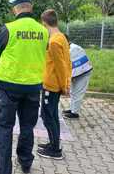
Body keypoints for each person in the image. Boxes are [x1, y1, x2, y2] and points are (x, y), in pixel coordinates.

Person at [0, 0, 49, 174]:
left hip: (9, 86)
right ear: (30, 8)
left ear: (15, 9)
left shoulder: (9, 29)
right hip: (33, 86)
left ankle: (4, 170)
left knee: (4, 127)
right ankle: (25, 162)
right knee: (27, 126)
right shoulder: (43, 31)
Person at [37, 9, 72, 160]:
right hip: (54, 85)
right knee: (51, 115)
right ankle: (53, 143)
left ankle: (55, 149)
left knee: (48, 115)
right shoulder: (62, 37)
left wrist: (65, 86)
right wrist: (66, 83)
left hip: (51, 86)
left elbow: (61, 66)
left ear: (44, 24)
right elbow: (68, 62)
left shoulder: (54, 42)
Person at [63, 35, 92, 119]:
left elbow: (75, 65)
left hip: (83, 73)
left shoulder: (75, 49)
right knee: (73, 92)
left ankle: (75, 113)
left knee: (78, 92)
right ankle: (72, 109)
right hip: (76, 73)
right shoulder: (68, 49)